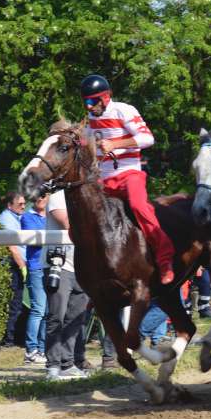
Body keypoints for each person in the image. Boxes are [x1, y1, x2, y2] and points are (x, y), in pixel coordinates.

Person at [80, 73, 175, 284]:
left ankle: (165, 257)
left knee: (139, 206)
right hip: (103, 179)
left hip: (129, 174)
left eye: (91, 102)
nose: (88, 107)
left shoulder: (124, 110)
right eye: (85, 102)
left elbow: (147, 138)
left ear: (105, 98)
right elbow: (86, 144)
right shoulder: (91, 119)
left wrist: (115, 144)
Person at [44, 186, 91, 380]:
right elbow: (69, 224)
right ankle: (53, 366)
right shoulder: (57, 196)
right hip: (59, 264)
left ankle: (67, 363)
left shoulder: (86, 196)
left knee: (76, 318)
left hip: (81, 265)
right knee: (57, 316)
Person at [20, 194, 49, 365]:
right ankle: (31, 350)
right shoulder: (27, 217)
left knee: (47, 312)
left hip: (50, 267)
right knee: (38, 310)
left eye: (44, 195)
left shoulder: (51, 216)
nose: (41, 198)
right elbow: (36, 240)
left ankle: (43, 349)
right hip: (36, 268)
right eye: (38, 196)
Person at [0, 191, 29, 347]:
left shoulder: (17, 217)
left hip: (21, 263)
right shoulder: (6, 219)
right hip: (13, 265)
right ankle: (9, 339)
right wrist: (23, 267)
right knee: (15, 303)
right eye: (20, 204)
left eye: (24, 203)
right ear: (10, 205)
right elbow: (12, 247)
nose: (23, 207)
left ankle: (14, 337)